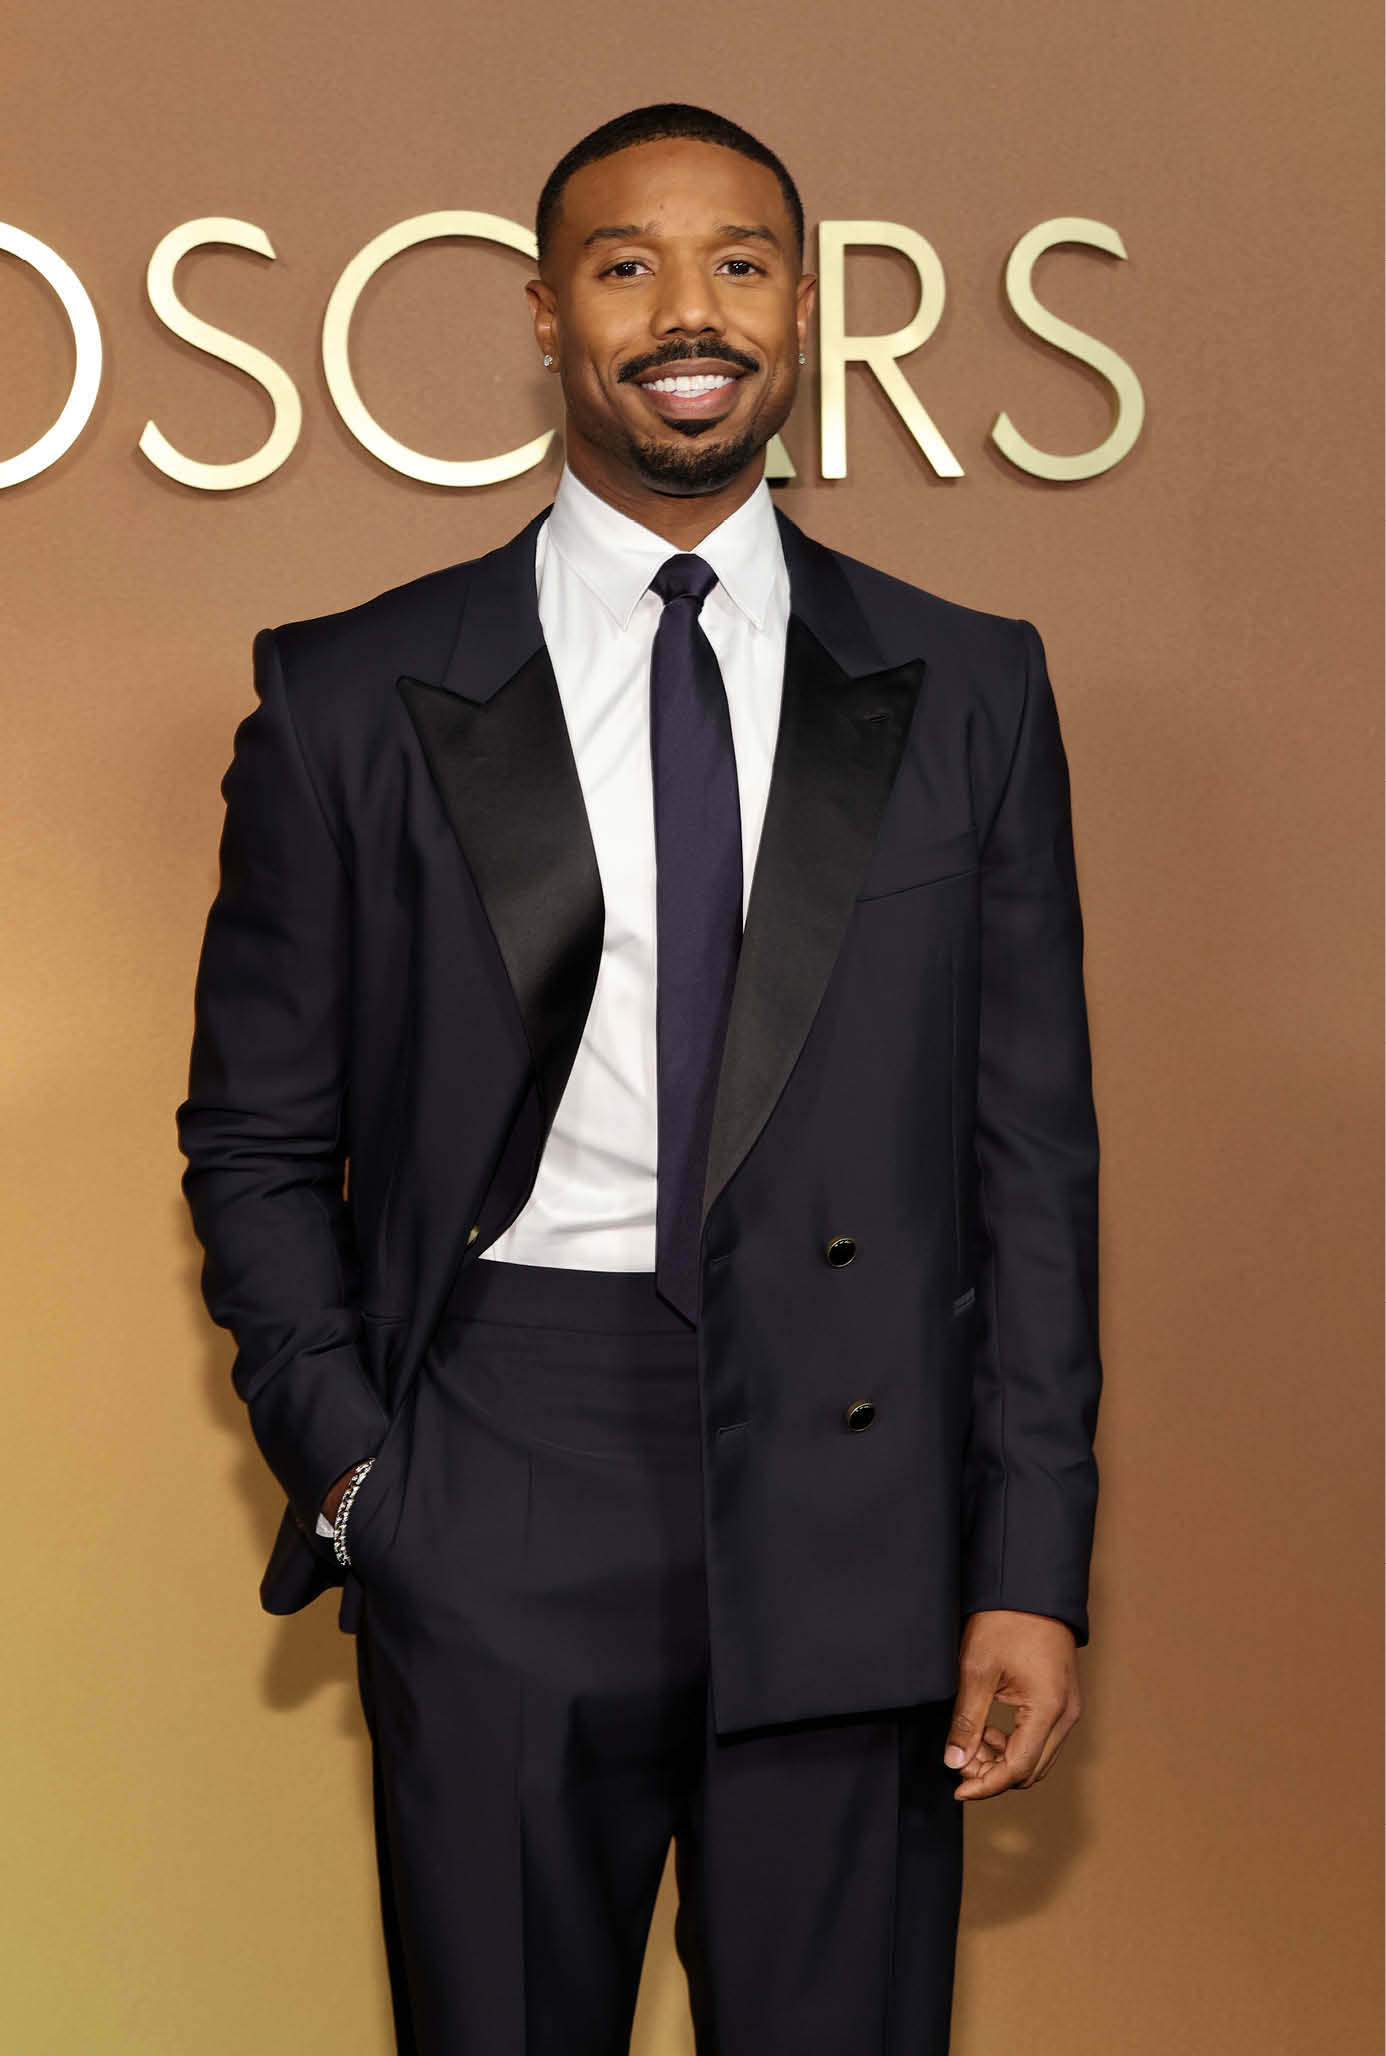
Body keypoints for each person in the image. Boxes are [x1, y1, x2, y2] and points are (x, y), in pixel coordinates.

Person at [176, 101, 1103, 2055]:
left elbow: (1031, 1160)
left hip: (858, 1493)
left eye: (740, 262)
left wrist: (1029, 1562)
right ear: (545, 313)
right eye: (627, 265)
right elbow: (255, 1139)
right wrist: (363, 1468)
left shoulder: (972, 685)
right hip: (500, 1457)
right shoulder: (348, 691)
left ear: (802, 309)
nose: (691, 311)